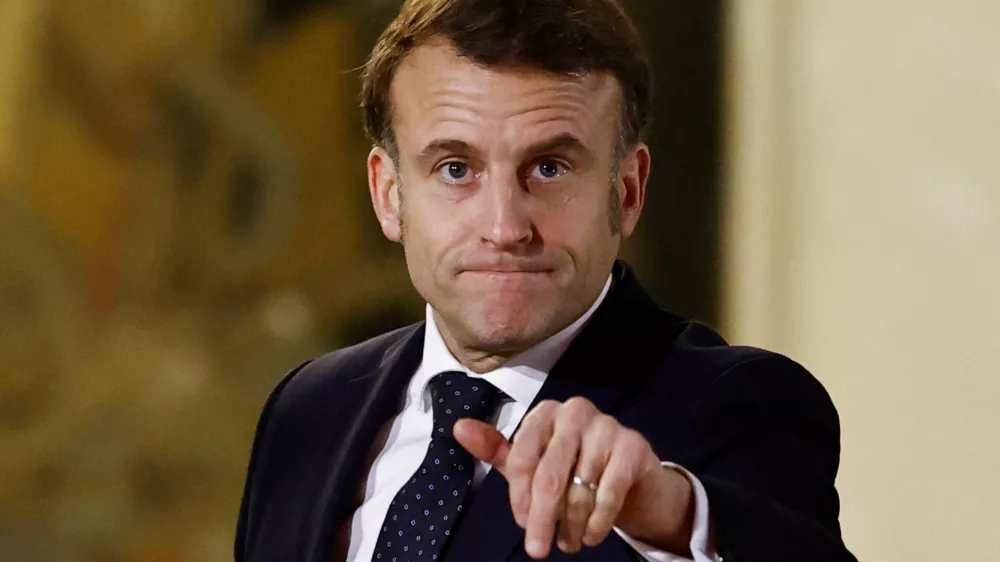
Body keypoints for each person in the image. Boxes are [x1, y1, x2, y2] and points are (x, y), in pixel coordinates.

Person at [234, 1, 857, 561]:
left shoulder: (741, 404)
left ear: (627, 191)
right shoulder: (308, 407)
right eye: (455, 168)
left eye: (550, 167)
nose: (505, 226)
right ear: (389, 194)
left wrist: (675, 516)